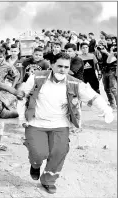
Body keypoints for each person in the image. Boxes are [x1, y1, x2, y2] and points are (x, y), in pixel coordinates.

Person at [16, 52, 114, 194]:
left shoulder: (74, 82)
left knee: (59, 152)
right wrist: (21, 118)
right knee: (38, 153)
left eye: (66, 67)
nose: (62, 69)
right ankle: (35, 165)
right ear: (52, 65)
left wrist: (106, 110)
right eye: (59, 66)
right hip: (36, 123)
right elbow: (22, 97)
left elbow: (92, 96)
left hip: (60, 124)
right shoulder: (37, 77)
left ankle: (48, 181)